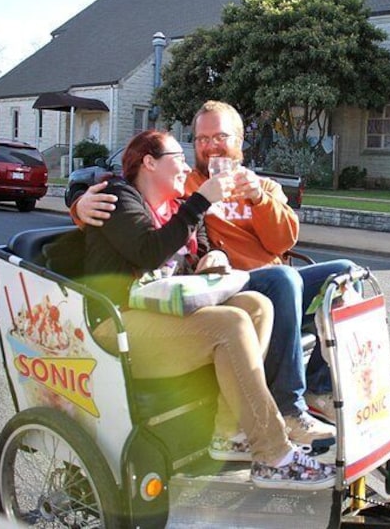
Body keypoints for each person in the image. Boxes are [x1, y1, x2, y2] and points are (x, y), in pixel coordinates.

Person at [73, 102, 351, 448]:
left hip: (245, 282)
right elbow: (131, 211)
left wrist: (258, 201)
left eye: (220, 136)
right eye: (201, 139)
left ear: (239, 140)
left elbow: (283, 240)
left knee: (345, 274)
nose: (208, 147)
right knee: (282, 282)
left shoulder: (260, 185)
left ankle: (317, 389)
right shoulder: (185, 186)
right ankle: (284, 418)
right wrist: (78, 205)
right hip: (230, 285)